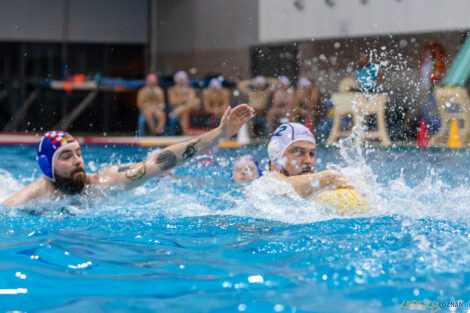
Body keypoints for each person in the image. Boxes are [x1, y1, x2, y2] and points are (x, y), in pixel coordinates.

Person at [1, 104, 254, 207]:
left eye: (78, 153)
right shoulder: (29, 198)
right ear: (47, 166)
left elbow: (158, 161)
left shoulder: (105, 181)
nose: (78, 160)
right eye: (66, 156)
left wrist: (219, 135)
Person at [263, 122, 353, 197]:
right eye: (298, 152)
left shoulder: (320, 187)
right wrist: (331, 177)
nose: (308, 160)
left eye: (312, 154)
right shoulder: (263, 187)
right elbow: (281, 187)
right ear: (275, 154)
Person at [167, 71, 201, 135]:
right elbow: (173, 101)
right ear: (176, 80)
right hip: (182, 109)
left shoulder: (189, 89)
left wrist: (181, 104)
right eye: (180, 80)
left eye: (183, 80)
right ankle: (185, 133)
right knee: (185, 112)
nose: (181, 81)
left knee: (196, 101)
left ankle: (180, 110)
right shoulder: (172, 90)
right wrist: (185, 99)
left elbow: (192, 100)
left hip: (179, 110)